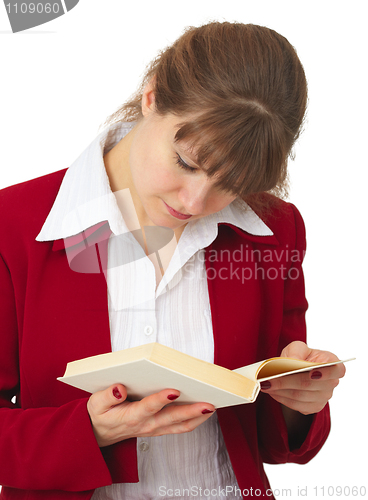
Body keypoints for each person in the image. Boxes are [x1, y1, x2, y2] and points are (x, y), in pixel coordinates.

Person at [0, 21, 345, 500]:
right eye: (186, 162)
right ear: (152, 97)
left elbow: (269, 438)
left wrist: (300, 400)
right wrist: (88, 431)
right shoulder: (14, 225)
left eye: (232, 183)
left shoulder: (274, 229)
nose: (196, 200)